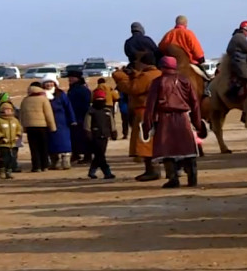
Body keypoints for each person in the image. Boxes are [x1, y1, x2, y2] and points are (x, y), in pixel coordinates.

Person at [143, 56, 203, 188]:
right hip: (183, 119)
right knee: (187, 149)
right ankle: (192, 177)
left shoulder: (157, 82)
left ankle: (173, 178)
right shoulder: (185, 80)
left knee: (167, 150)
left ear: (162, 67)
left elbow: (150, 106)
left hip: (165, 120)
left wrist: (147, 126)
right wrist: (197, 122)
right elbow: (195, 103)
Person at [112, 52, 163, 181]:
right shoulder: (159, 73)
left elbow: (133, 88)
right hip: (158, 111)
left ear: (143, 63)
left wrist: (120, 76)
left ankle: (152, 170)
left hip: (144, 112)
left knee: (145, 141)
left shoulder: (147, 76)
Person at [18, 82, 57, 172]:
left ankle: (36, 166)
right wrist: (53, 127)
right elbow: (48, 114)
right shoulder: (43, 99)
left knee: (33, 147)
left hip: (30, 127)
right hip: (42, 126)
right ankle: (45, 165)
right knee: (44, 146)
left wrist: (24, 127)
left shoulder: (25, 100)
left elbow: (22, 114)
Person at [41, 76, 77, 169]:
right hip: (48, 121)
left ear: (55, 83)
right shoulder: (41, 95)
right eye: (47, 82)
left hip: (62, 121)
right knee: (51, 142)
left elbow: (68, 107)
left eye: (51, 82)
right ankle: (55, 161)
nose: (49, 84)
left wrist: (72, 119)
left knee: (64, 141)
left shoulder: (61, 94)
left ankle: (66, 160)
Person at [84, 89, 117, 180]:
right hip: (95, 135)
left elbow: (111, 122)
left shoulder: (107, 111)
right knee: (100, 154)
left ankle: (92, 172)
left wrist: (113, 132)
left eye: (101, 98)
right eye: (98, 98)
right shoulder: (91, 111)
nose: (99, 100)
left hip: (105, 135)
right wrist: (88, 132)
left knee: (99, 155)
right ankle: (107, 172)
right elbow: (87, 123)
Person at [66, 68, 94, 165]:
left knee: (84, 137)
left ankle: (87, 156)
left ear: (77, 78)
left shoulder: (81, 89)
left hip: (81, 116)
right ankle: (76, 154)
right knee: (75, 137)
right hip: (75, 116)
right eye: (69, 77)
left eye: (72, 77)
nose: (70, 79)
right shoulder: (73, 88)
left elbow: (85, 103)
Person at [225, 20, 247, 100]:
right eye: (246, 30)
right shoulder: (239, 37)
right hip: (238, 59)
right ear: (242, 29)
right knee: (246, 76)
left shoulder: (238, 36)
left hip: (238, 58)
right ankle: (232, 93)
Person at [0, 101, 23, 179]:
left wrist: (18, 135)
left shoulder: (15, 120)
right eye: (6, 110)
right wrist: (1, 137)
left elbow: (19, 128)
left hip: (13, 143)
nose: (8, 111)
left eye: (10, 110)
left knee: (12, 159)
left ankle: (9, 172)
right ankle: (1, 171)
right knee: (4, 158)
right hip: (2, 144)